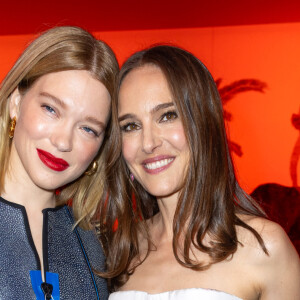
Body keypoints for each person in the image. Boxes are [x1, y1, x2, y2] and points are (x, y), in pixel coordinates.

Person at [100, 45, 300, 299]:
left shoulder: (265, 246)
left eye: (167, 115)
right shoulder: (122, 248)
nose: (148, 143)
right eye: (131, 126)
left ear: (203, 123)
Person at [0, 26, 118, 299]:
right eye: (51, 109)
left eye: (88, 128)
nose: (63, 141)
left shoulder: (97, 242)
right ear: (16, 103)